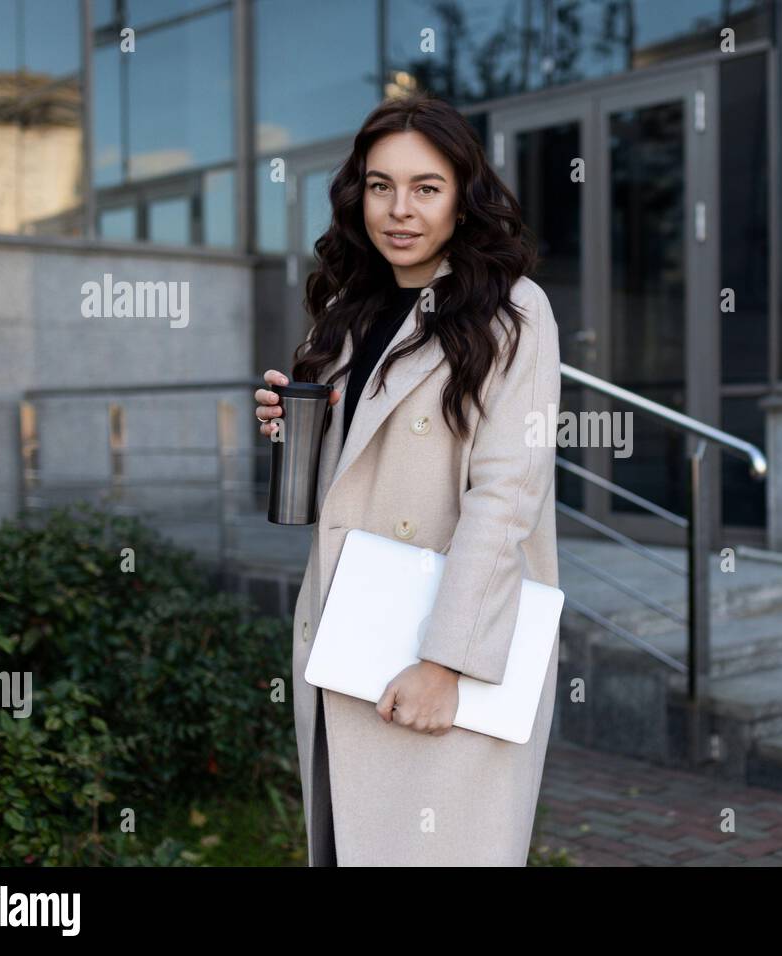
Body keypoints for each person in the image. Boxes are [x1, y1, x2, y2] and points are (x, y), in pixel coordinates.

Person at [252, 93, 561, 866]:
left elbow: (507, 496)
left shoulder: (513, 311)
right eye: (381, 185)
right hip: (349, 637)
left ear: (463, 197)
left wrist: (444, 661)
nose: (400, 209)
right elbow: (362, 476)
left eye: (426, 187)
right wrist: (299, 428)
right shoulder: (347, 309)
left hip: (443, 647)